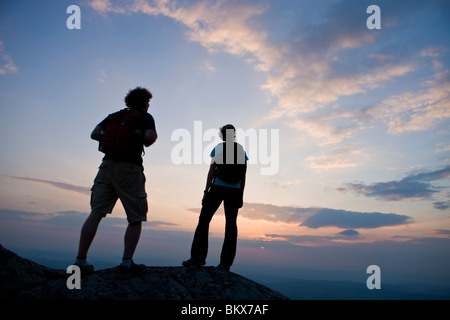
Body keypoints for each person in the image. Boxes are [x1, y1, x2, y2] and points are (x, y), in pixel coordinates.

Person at [75, 87, 157, 275]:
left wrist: (110, 140)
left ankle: (80, 260)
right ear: (145, 102)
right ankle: (127, 263)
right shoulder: (145, 116)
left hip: (106, 167)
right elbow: (149, 137)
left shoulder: (113, 116)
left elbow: (94, 134)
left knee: (96, 213)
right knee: (135, 217)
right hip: (129, 168)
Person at [182, 124, 248, 271]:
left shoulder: (219, 148)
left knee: (204, 221)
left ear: (223, 135)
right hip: (234, 191)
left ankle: (198, 257)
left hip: (217, 187)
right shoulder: (241, 150)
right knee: (231, 226)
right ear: (234, 135)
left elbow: (212, 171)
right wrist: (241, 195)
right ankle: (225, 263)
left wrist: (206, 191)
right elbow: (243, 176)